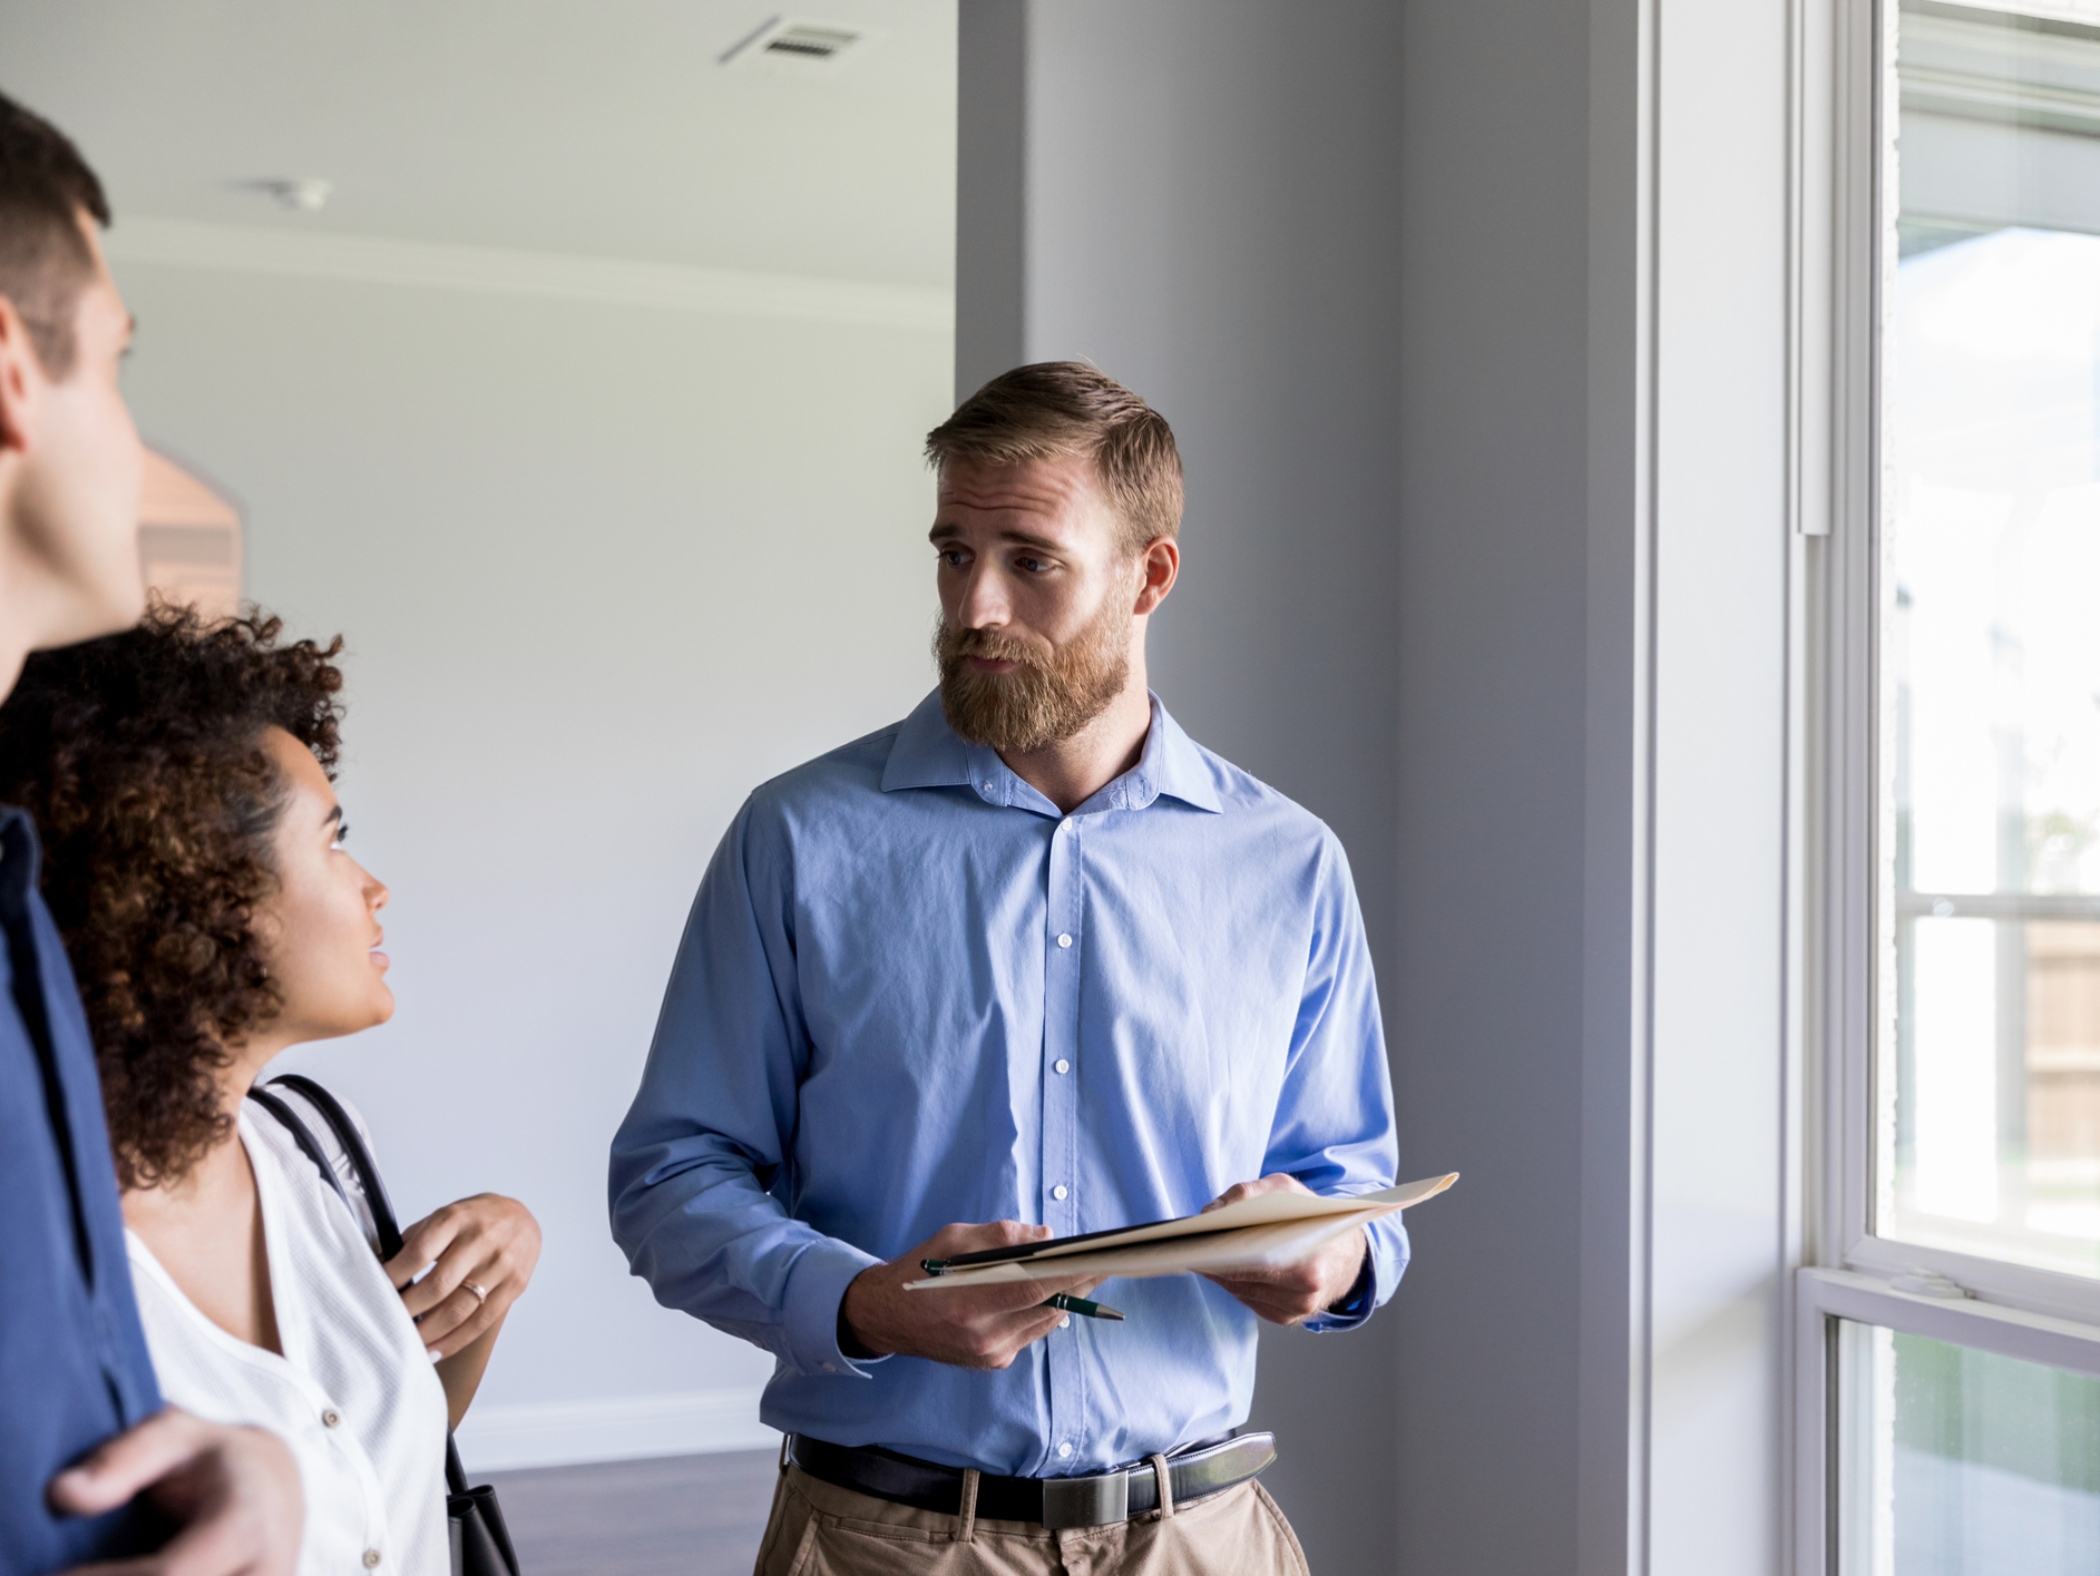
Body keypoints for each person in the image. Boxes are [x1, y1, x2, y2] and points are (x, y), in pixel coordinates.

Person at [610, 362, 1407, 1573]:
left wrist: (1330, 1256)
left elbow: (1351, 1183)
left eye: (1031, 560)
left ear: (1150, 575)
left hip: (1204, 1535)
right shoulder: (799, 837)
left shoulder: (1286, 863)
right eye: (951, 552)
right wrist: (868, 1302)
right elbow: (671, 1177)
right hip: (890, 1541)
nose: (975, 604)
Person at [0, 606, 545, 1576]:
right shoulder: (38, 1244)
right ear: (200, 893)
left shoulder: (314, 1144)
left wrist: (487, 1283)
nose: (375, 886)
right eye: (336, 839)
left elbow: (373, 1467)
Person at [0, 90, 303, 1575]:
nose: (135, 441)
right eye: (116, 366)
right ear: (8, 369)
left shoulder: (16, 908)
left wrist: (223, 1464)